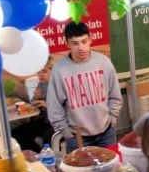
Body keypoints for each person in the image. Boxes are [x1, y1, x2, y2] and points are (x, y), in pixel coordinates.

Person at [47, 22, 122, 153]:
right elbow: (54, 107)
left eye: (84, 41)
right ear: (67, 44)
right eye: (75, 43)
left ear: (90, 40)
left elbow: (114, 94)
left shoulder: (103, 62)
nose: (81, 47)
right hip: (77, 137)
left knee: (110, 171)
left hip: (107, 131)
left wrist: (113, 119)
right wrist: (67, 133)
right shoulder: (59, 70)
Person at [12, 58, 56, 152]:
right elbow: (34, 106)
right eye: (38, 72)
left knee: (47, 136)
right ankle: (34, 157)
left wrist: (48, 105)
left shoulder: (60, 84)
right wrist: (35, 98)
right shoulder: (41, 84)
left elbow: (68, 108)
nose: (40, 75)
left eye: (44, 71)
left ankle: (47, 159)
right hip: (46, 120)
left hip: (58, 123)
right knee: (17, 133)